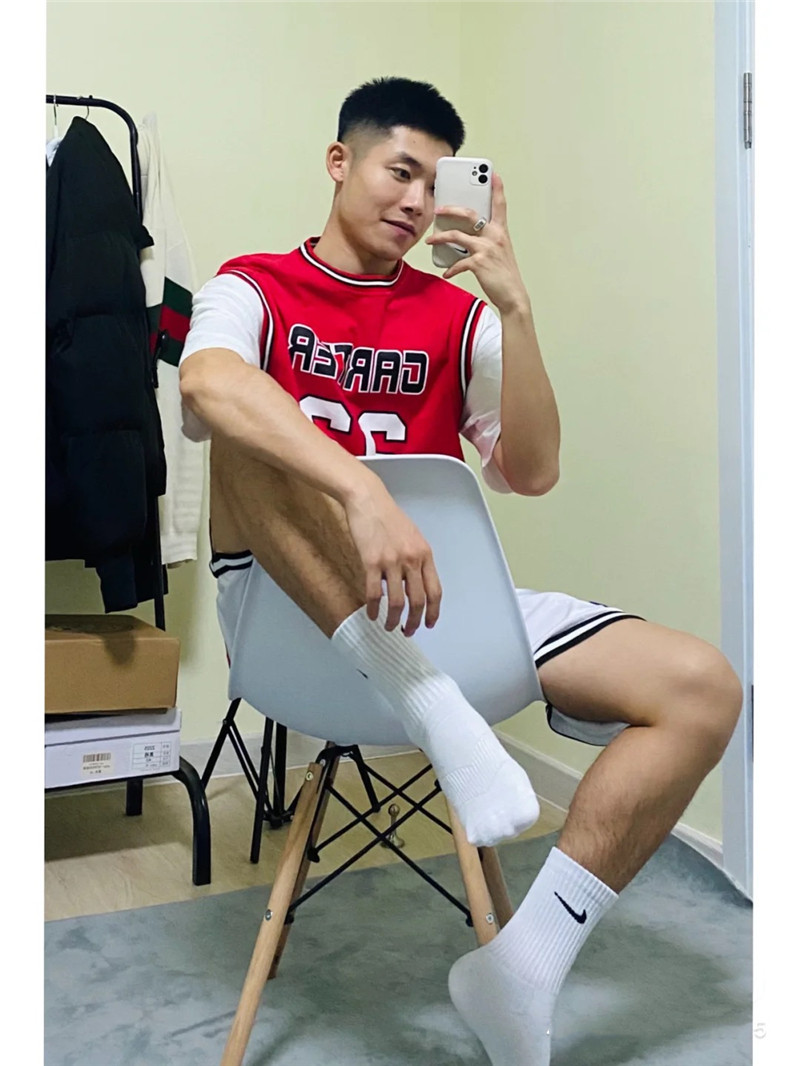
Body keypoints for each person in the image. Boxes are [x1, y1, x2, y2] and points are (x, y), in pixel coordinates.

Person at [179, 77, 742, 1066]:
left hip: (434, 603)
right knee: (236, 419)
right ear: (339, 162)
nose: (414, 201)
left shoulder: (457, 317)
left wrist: (513, 308)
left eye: (435, 186)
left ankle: (519, 970)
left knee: (702, 687)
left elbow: (532, 471)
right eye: (399, 171)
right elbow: (206, 381)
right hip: (292, 623)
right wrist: (359, 490)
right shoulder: (252, 287)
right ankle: (430, 703)